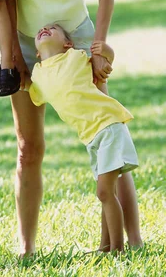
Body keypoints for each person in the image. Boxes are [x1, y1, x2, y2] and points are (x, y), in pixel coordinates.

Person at [0, 0, 143, 255]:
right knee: (28, 146)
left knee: (106, 133)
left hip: (76, 39)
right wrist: (10, 54)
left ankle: (132, 241)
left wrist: (97, 48)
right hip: (28, 44)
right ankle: (25, 246)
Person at [30, 23, 139, 252]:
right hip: (91, 138)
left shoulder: (75, 57)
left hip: (108, 126)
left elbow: (104, 61)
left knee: (104, 192)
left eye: (53, 28)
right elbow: (29, 92)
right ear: (37, 53)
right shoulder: (38, 75)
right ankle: (105, 246)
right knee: (105, 193)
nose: (44, 29)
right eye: (41, 29)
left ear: (67, 43)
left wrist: (107, 51)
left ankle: (118, 251)